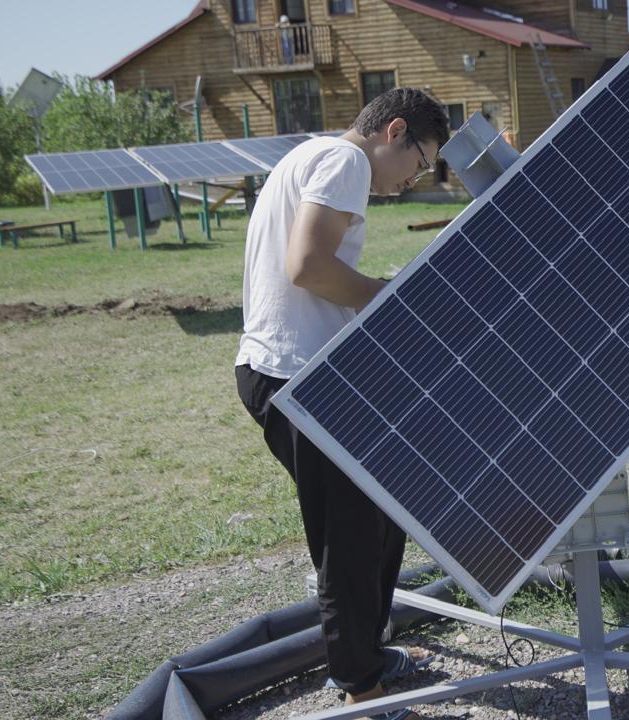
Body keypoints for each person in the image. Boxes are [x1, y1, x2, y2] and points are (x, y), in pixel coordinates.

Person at [235, 87, 447, 720]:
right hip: (292, 380)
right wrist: (392, 298)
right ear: (395, 132)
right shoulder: (346, 161)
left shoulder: (316, 157)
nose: (414, 178)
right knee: (349, 540)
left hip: (302, 374)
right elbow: (308, 268)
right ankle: (360, 691)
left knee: (381, 519)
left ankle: (367, 658)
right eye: (420, 161)